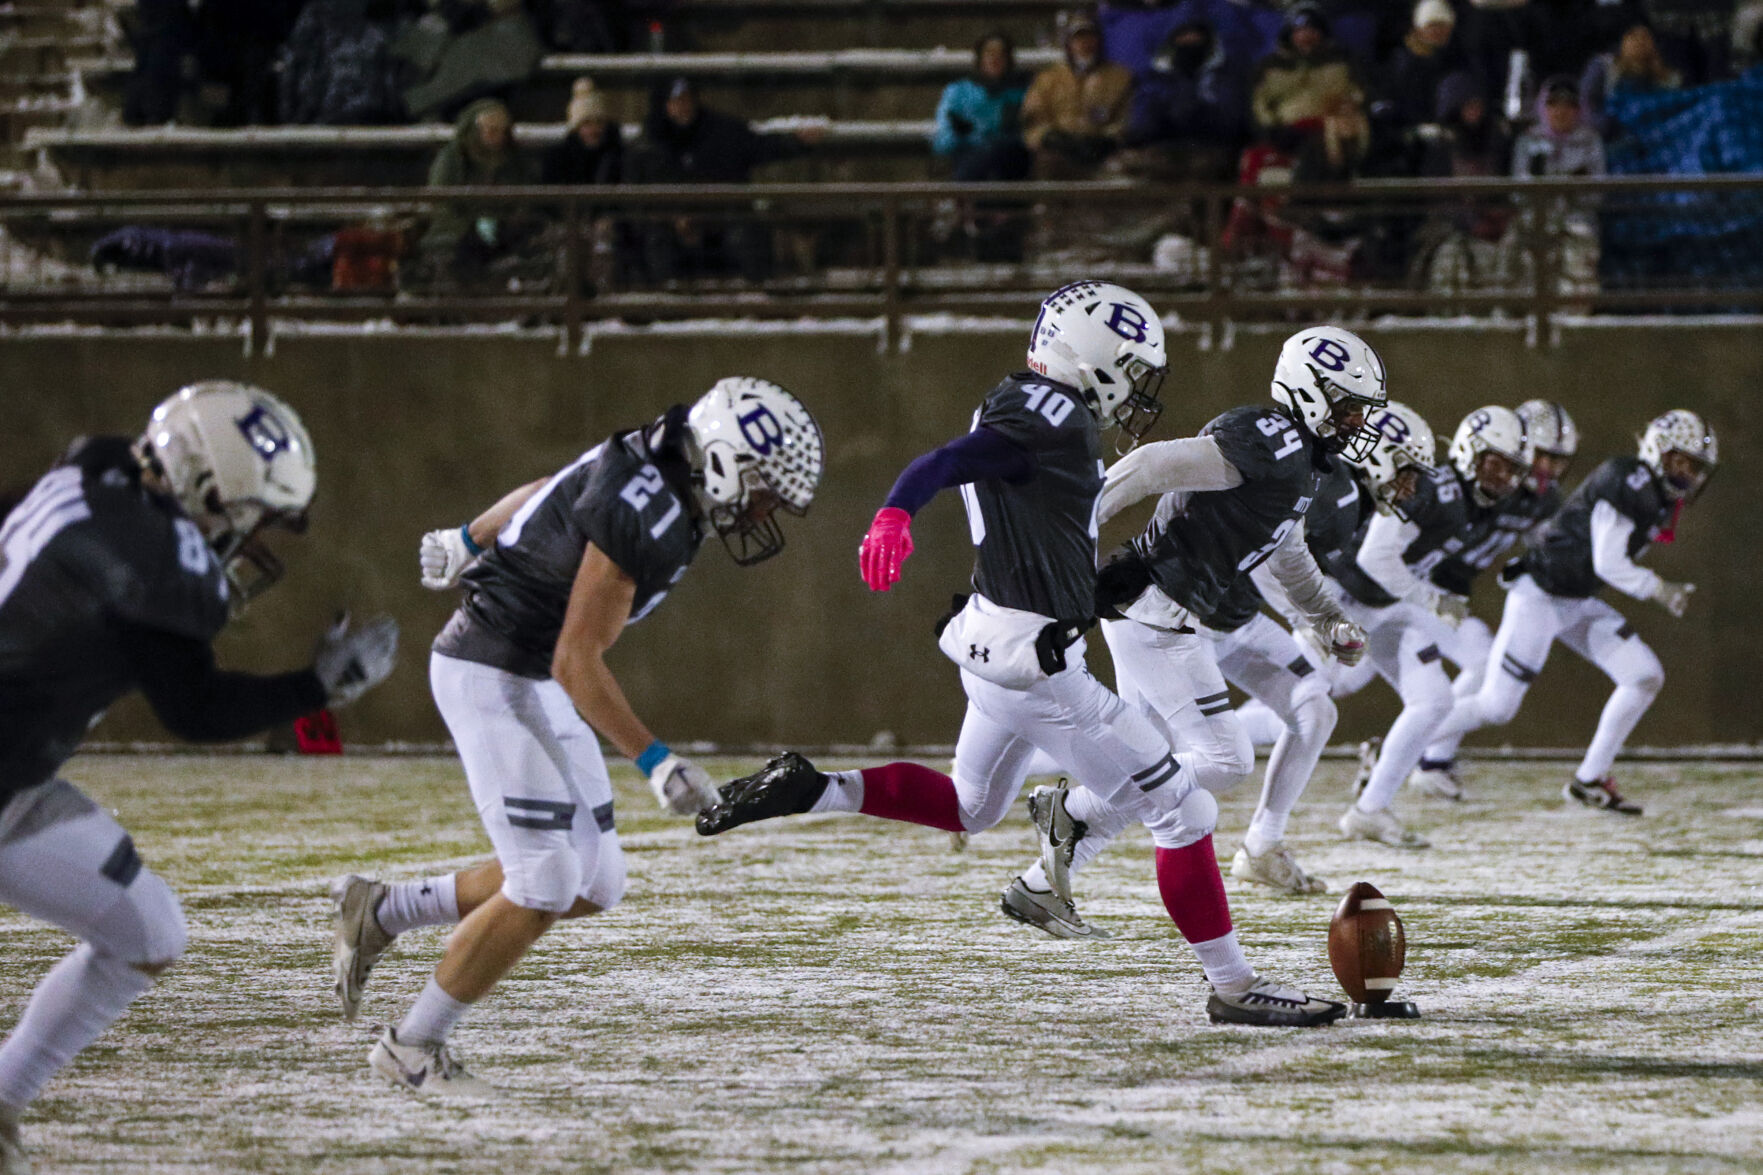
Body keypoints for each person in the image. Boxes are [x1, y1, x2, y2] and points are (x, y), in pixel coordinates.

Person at [695, 282, 1345, 1028]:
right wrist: (896, 509)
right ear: (1091, 358)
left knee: (971, 806)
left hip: (990, 639)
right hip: (1039, 663)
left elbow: (1027, 513)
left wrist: (1100, 577)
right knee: (1184, 805)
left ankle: (813, 787)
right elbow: (953, 457)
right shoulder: (1050, 408)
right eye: (1129, 368)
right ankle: (1232, 985)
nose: (1135, 389)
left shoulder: (1024, 401)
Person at [330, 378, 825, 1094]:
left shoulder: (656, 453)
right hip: (495, 667)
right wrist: (655, 760)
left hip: (530, 669)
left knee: (596, 879)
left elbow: (550, 486)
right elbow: (575, 658)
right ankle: (412, 1046)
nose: (764, 510)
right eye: (763, 491)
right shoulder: (648, 511)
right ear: (723, 461)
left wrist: (470, 535)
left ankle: (381, 910)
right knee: (547, 878)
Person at [0, 383, 397, 1172]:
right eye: (242, 514)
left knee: (148, 929)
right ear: (205, 486)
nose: (242, 535)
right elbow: (195, 706)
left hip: (16, 777)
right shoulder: (153, 556)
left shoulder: (93, 472)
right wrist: (314, 687)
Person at [996, 326, 1385, 911]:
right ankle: (1070, 809)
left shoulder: (1300, 462)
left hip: (1163, 611)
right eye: (1350, 407)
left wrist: (1326, 618)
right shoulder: (1268, 439)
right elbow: (1152, 464)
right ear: (1312, 393)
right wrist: (1067, 530)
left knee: (1143, 764)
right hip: (1158, 608)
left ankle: (1040, 883)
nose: (1358, 423)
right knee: (1225, 762)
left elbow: (1287, 550)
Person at [1423, 410, 1715, 816]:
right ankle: (1393, 748)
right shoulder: (1628, 481)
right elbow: (1609, 563)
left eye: (1696, 467)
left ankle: (1589, 780)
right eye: (1682, 462)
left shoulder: (1655, 496)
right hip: (1540, 596)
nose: (1689, 475)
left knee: (1643, 676)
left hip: (1576, 600)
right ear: (1659, 452)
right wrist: (1658, 588)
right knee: (1496, 706)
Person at [1321, 404, 1531, 848]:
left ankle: (1370, 810)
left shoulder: (1462, 500)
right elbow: (1375, 556)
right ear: (1468, 451)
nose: (1503, 480)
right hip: (1342, 596)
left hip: (1382, 604)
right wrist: (1432, 601)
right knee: (1309, 700)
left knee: (1433, 699)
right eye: (1496, 465)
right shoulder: (1434, 488)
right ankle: (1188, 751)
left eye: (1512, 471)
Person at [1409, 398, 1577, 799]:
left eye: (1558, 461)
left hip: (1445, 595)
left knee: (1482, 661)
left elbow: (1543, 545)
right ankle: (1408, 756)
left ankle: (1428, 761)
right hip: (1411, 589)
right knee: (1329, 686)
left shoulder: (1539, 500)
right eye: (1541, 457)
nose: (1547, 470)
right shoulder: (1474, 486)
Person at [624, 77, 825, 285]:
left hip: (722, 218)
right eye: (676, 101)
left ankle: (758, 299)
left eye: (688, 99)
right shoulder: (646, 146)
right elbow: (636, 195)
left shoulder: (724, 132)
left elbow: (761, 146)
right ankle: (661, 302)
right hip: (669, 224)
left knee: (748, 234)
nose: (683, 106)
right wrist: (672, 217)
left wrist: (798, 142)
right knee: (654, 239)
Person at [419, 98, 543, 288]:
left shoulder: (517, 161)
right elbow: (441, 202)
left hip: (505, 227)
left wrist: (508, 222)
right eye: (491, 130)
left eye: (502, 131)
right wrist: (470, 226)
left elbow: (526, 198)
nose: (497, 137)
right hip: (459, 228)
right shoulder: (453, 158)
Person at [1116, 16, 1249, 182]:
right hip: (1162, 147)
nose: (1189, 41)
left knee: (1207, 169)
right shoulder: (1155, 76)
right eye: (1183, 37)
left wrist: (1196, 114)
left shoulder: (1224, 75)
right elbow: (1142, 121)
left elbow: (1232, 120)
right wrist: (1164, 118)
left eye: (1196, 37)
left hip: (1210, 148)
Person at [1022, 13, 1135, 178]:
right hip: (1060, 150)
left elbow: (1127, 117)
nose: (1085, 44)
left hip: (1101, 150)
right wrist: (1051, 138)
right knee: (1046, 165)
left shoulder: (1120, 78)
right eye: (1078, 39)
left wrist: (1108, 139)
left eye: (1090, 37)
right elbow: (1033, 121)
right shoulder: (1048, 79)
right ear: (1069, 44)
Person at [932, 32, 1031, 182]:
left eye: (1001, 54)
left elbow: (1033, 131)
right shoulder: (958, 92)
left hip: (1012, 161)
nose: (995, 59)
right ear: (980, 58)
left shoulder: (1023, 92)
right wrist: (963, 134)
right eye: (990, 53)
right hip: (969, 159)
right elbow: (942, 140)